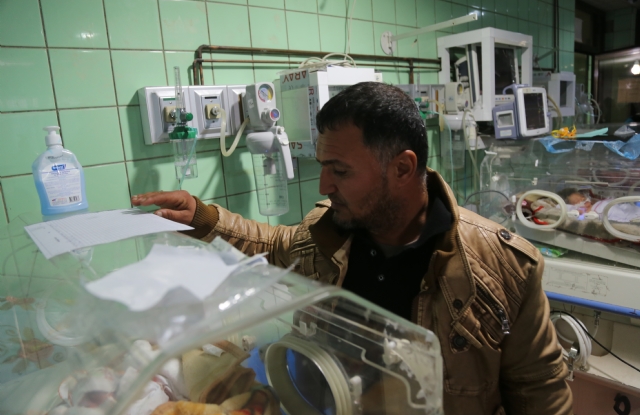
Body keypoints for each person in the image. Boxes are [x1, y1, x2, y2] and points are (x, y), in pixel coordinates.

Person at [132, 82, 572, 414]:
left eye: (340, 171)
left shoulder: (501, 269)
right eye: (324, 167)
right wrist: (204, 218)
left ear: (402, 168)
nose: (324, 185)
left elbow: (541, 395)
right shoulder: (332, 232)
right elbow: (277, 244)